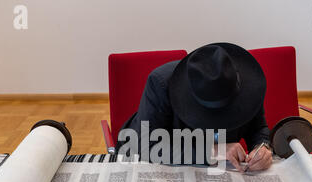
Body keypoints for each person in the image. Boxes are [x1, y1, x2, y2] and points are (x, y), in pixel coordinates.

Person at [116, 42, 273, 172]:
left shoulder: (247, 85)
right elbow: (144, 146)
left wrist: (262, 148)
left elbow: (258, 128)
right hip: (159, 165)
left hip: (220, 174)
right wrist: (212, 150)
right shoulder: (161, 84)